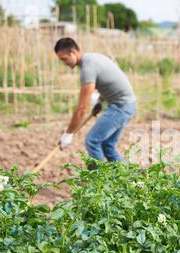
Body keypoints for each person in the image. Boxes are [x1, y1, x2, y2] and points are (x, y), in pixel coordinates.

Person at [54, 37, 136, 166]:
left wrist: (68, 133)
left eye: (64, 59)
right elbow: (107, 82)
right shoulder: (92, 58)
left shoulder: (88, 68)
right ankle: (130, 180)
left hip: (121, 107)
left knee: (92, 141)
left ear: (73, 52)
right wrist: (99, 101)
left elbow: (82, 108)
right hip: (126, 104)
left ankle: (99, 183)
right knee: (107, 146)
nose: (64, 63)